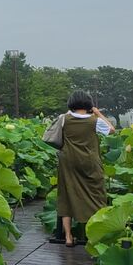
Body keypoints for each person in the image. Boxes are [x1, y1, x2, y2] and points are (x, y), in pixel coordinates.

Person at [55, 90, 114, 247]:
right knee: (96, 196)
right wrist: (97, 112)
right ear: (89, 104)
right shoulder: (94, 121)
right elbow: (111, 130)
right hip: (90, 162)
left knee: (66, 196)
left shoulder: (64, 118)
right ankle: (93, 235)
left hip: (67, 162)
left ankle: (68, 237)